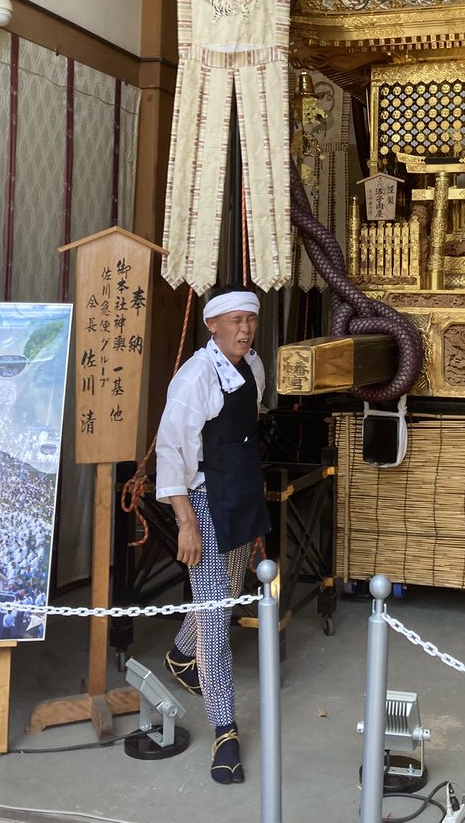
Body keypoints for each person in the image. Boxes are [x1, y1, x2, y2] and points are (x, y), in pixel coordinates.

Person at [155, 285, 270, 786]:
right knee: (218, 620)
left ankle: (181, 654)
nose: (244, 330)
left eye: (250, 320)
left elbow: (246, 433)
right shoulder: (195, 377)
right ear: (211, 326)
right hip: (203, 500)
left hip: (241, 492)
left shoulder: (254, 368)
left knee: (223, 596)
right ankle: (225, 731)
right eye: (234, 321)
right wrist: (186, 521)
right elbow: (171, 451)